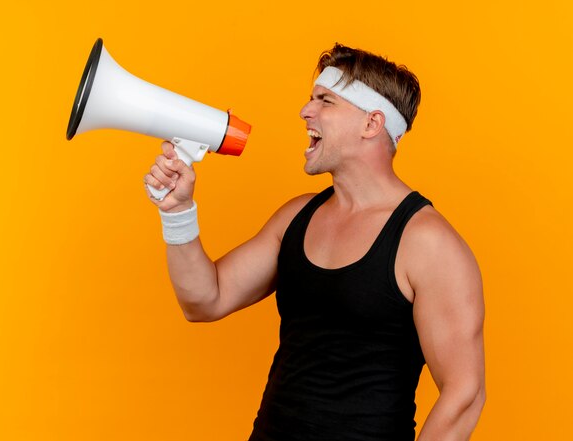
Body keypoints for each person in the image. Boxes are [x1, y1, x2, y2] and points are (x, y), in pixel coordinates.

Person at [144, 44, 485, 441]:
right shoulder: (296, 216)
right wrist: (177, 212)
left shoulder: (427, 242)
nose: (306, 111)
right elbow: (205, 299)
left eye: (325, 101)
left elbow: (465, 394)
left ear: (372, 124)